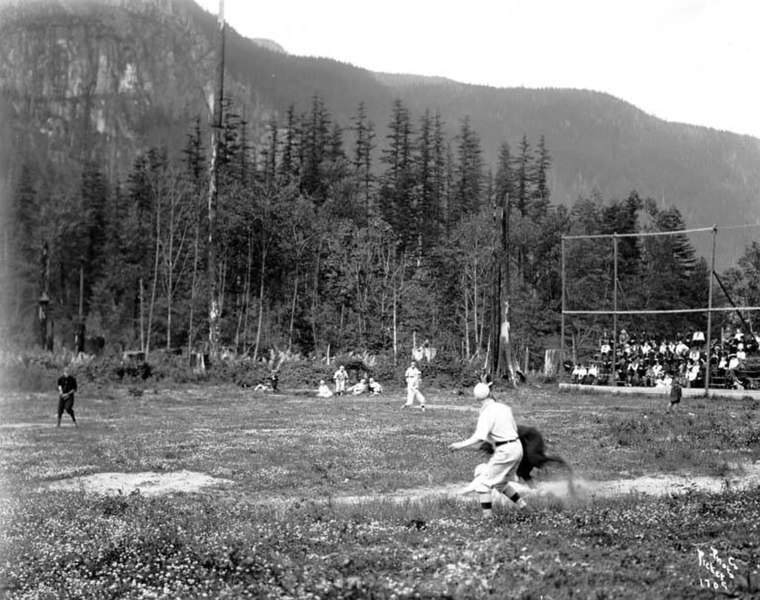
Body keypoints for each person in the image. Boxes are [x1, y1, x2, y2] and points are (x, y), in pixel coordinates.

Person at [449, 383, 528, 517]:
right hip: (517, 447)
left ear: (477, 399)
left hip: (505, 450)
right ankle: (524, 507)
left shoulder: (486, 413)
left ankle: (487, 519)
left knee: (483, 483)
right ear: (490, 393)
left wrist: (460, 445)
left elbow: (479, 438)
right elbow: (514, 429)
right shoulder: (504, 408)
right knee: (500, 483)